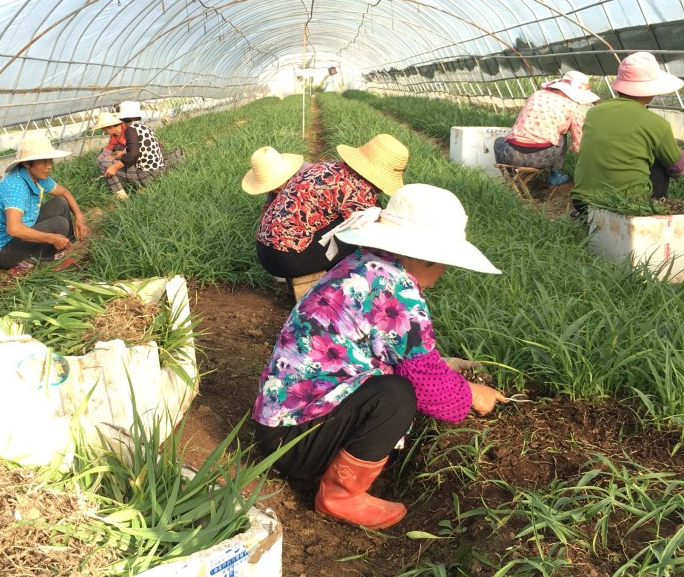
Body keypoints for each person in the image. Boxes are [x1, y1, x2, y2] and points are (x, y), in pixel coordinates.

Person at [252, 183, 506, 529]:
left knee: (395, 388)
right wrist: (472, 394)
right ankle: (339, 495)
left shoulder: (364, 265)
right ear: (429, 258)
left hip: (281, 425)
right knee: (397, 394)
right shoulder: (396, 290)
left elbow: (392, 347)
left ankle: (345, 474)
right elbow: (428, 385)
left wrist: (440, 365)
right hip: (294, 442)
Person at [243, 134, 409, 279]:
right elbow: (369, 233)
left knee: (355, 219)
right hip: (285, 259)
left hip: (265, 249)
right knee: (356, 232)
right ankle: (344, 282)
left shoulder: (329, 166)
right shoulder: (358, 187)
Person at [571, 52, 684, 215]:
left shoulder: (594, 112)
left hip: (582, 202)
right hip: (629, 206)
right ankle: (653, 210)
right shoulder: (657, 124)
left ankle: (587, 216)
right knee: (662, 159)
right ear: (652, 91)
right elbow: (677, 169)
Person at [0, 132, 88, 271]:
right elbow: (14, 229)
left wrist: (79, 217)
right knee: (59, 224)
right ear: (26, 163)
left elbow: (63, 192)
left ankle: (62, 247)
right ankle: (33, 261)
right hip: (3, 250)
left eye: (50, 161)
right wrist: (51, 238)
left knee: (60, 202)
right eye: (44, 161)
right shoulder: (15, 186)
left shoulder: (37, 177)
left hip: (19, 234)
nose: (49, 166)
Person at [493, 70, 599, 185]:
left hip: (511, 155)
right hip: (539, 158)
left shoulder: (537, 95)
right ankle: (555, 175)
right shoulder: (572, 106)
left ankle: (511, 178)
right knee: (561, 138)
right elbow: (578, 140)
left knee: (498, 141)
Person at [100, 101, 165, 192]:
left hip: (147, 174)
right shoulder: (144, 127)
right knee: (116, 160)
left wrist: (114, 167)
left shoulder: (130, 129)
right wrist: (117, 156)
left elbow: (133, 153)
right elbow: (136, 147)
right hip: (160, 170)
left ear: (122, 118)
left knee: (103, 164)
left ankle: (121, 198)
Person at [95, 110, 130, 201]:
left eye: (104, 129)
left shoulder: (127, 129)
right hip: (129, 154)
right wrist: (99, 160)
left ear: (109, 127)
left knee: (118, 149)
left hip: (138, 152)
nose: (104, 132)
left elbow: (134, 146)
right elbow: (107, 150)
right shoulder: (114, 136)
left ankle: (122, 197)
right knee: (117, 148)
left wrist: (116, 156)